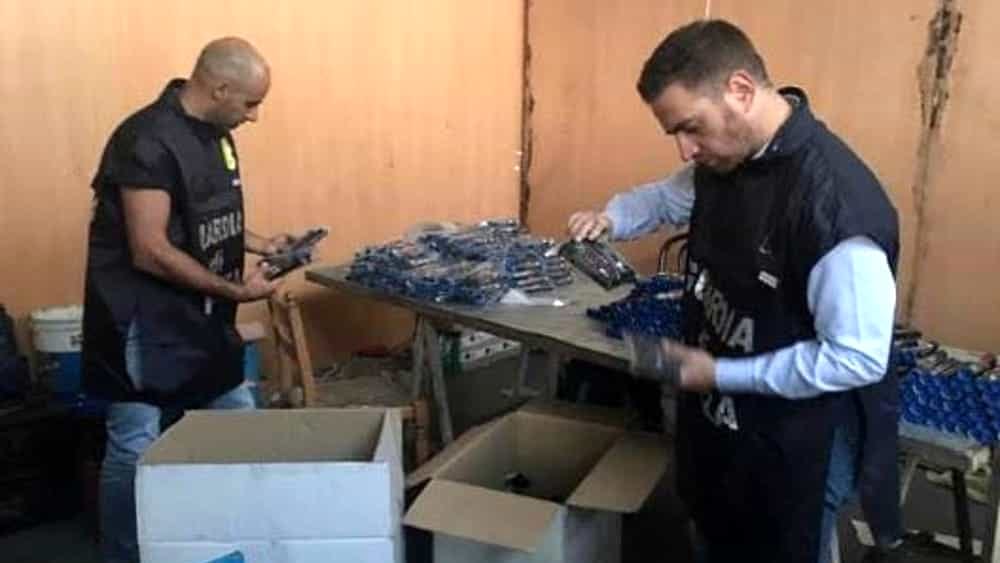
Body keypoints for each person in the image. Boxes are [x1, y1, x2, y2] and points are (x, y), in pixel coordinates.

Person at [568, 20, 907, 563]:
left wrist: (722, 374)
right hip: (723, 426)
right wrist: (611, 218)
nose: (685, 151)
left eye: (691, 128)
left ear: (741, 91)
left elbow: (857, 358)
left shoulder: (835, 209)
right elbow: (665, 198)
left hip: (796, 446)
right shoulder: (727, 158)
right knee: (714, 529)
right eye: (676, 134)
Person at [82, 37, 291, 563]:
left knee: (236, 418)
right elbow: (150, 249)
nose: (254, 116)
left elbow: (205, 215)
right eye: (250, 103)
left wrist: (263, 244)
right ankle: (124, 553)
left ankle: (238, 536)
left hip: (201, 316)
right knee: (135, 445)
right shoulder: (145, 140)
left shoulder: (216, 135)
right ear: (219, 89)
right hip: (142, 320)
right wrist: (237, 291)